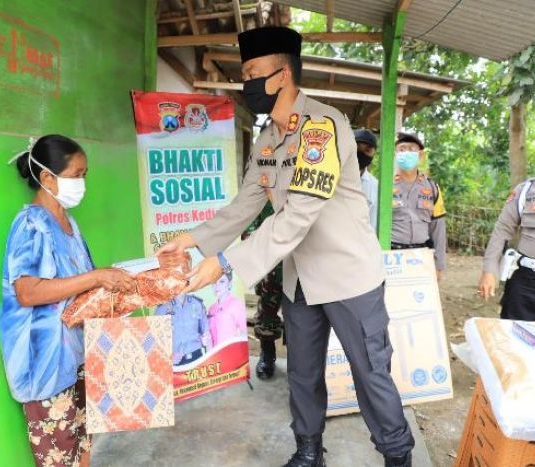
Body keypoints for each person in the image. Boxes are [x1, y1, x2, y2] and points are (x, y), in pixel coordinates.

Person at [158, 27, 414, 467]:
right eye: (245, 74)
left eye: (254, 72)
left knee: (370, 374)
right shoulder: (268, 138)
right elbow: (246, 204)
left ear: (282, 75)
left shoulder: (322, 127)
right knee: (302, 373)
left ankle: (396, 455)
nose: (247, 83)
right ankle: (309, 450)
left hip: (348, 276)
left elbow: (299, 213)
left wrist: (225, 263)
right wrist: (194, 239)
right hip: (299, 281)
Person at [0, 134, 136, 467]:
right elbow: (27, 292)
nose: (82, 183)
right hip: (44, 363)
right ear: (47, 177)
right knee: (59, 455)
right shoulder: (30, 224)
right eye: (76, 175)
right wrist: (96, 277)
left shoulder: (69, 223)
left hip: (76, 356)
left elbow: (83, 284)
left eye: (84, 174)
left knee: (81, 444)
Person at [478, 145, 535, 319]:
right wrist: (490, 270)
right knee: (513, 338)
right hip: (525, 279)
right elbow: (502, 230)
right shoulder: (527, 190)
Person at [391, 133, 447, 279]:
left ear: (420, 155)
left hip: (421, 257)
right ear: (395, 154)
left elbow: (438, 228)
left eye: (412, 149)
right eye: (402, 149)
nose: (406, 153)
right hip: (391, 257)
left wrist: (439, 264)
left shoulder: (432, 187)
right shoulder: (385, 186)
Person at [242, 201, 284, 380]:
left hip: (300, 259)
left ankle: (299, 359)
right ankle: (267, 354)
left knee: (300, 313)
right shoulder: (267, 181)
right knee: (267, 310)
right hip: (270, 261)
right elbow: (249, 221)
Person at [154, 293, 210, 366]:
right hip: (174, 364)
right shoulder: (162, 308)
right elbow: (155, 341)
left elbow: (206, 331)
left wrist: (205, 339)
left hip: (197, 358)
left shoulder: (196, 303)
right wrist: (169, 357)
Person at [208, 272, 247, 348]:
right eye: (214, 282)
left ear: (229, 284)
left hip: (230, 354)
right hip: (214, 355)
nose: (217, 286)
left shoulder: (237, 305)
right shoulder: (211, 309)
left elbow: (245, 333)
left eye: (222, 281)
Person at [355, 128, 379, 231]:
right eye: (357, 148)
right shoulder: (334, 179)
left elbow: (373, 222)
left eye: (367, 150)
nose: (361, 153)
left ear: (374, 153)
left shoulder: (375, 185)